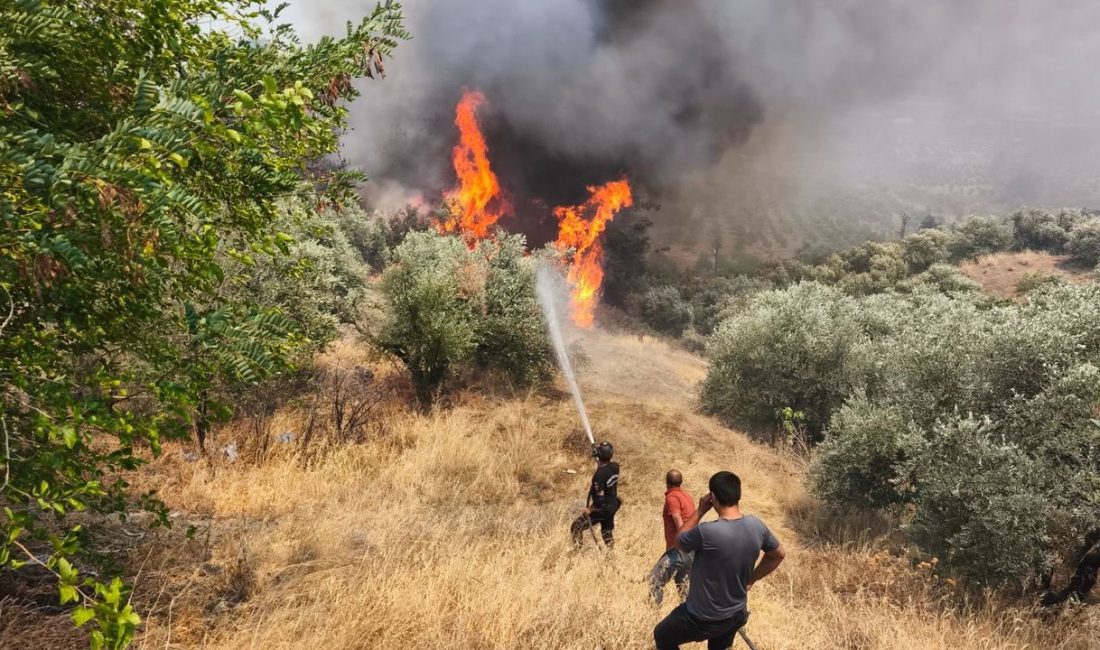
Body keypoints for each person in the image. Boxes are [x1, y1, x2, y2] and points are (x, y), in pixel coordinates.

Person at [653, 471, 785, 650]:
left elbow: (679, 541)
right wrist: (752, 579)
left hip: (701, 617)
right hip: (735, 613)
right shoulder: (757, 526)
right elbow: (778, 554)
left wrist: (700, 510)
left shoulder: (707, 532)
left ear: (712, 497)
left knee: (662, 634)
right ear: (738, 494)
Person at [648, 469, 696, 604]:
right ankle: (687, 619)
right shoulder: (686, 497)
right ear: (681, 482)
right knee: (684, 588)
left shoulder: (672, 497)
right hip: (691, 550)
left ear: (666, 483)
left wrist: (679, 544)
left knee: (654, 580)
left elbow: (679, 522)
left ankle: (653, 616)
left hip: (679, 550)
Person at [570, 441, 620, 549]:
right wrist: (599, 454)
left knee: (576, 526)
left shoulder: (599, 475)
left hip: (602, 509)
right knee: (606, 532)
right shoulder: (615, 467)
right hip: (612, 505)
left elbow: (599, 500)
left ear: (598, 455)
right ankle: (611, 554)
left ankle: (577, 551)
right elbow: (605, 467)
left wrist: (589, 509)